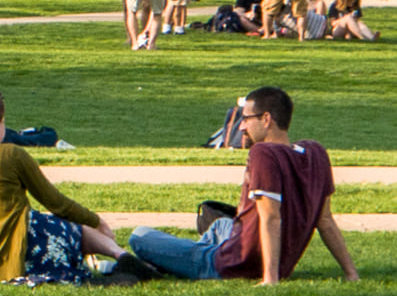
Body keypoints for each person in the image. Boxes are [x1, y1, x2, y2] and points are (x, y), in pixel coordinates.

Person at [127, 87, 357, 284]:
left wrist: (270, 278)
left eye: (246, 119)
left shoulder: (264, 153)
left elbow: (271, 218)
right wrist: (351, 273)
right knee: (219, 226)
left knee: (139, 236)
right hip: (259, 251)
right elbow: (325, 220)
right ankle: (175, 261)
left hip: (234, 264)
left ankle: (171, 264)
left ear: (266, 119)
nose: (241, 127)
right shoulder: (315, 153)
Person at [0, 89, 125, 284]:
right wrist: (96, 221)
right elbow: (57, 204)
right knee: (64, 225)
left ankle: (114, 258)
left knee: (43, 222)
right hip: (23, 256)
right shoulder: (11, 155)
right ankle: (122, 256)